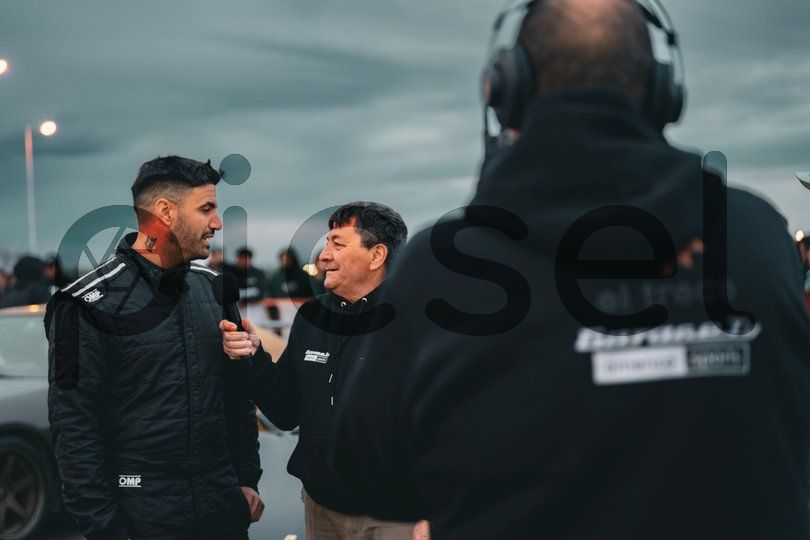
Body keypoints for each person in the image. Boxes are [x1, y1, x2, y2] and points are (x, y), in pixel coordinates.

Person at [330, 1, 810, 539]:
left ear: (507, 88)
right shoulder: (753, 234)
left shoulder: (440, 265)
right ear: (662, 92)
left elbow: (362, 477)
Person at [46, 156, 264, 540]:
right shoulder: (84, 304)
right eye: (207, 209)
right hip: (141, 518)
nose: (217, 223)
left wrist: (247, 480)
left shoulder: (214, 288)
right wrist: (106, 528)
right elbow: (74, 428)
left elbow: (236, 398)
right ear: (165, 211)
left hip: (222, 510)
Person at [220, 202, 416, 540]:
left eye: (338, 244)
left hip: (395, 516)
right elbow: (284, 412)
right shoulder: (312, 317)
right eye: (326, 244)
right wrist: (253, 357)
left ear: (376, 255)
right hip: (321, 509)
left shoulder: (419, 323)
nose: (323, 256)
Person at [233, 246, 268, 324]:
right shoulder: (233, 274)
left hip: (255, 311)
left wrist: (244, 301)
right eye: (241, 258)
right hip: (239, 311)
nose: (243, 261)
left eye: (245, 258)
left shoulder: (258, 274)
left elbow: (262, 293)